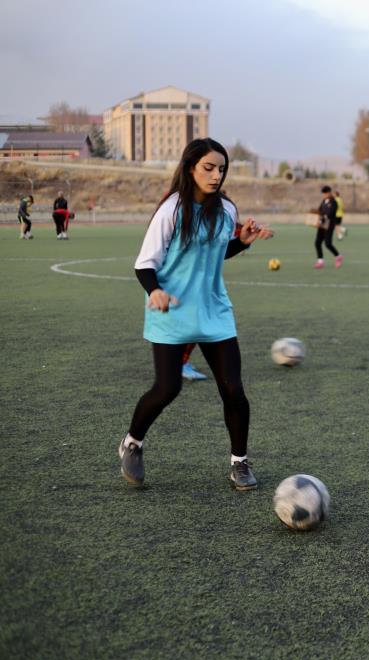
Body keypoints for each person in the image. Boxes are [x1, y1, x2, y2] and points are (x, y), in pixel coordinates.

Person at [119, 138, 273, 491]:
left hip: (214, 310)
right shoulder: (172, 209)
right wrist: (154, 290)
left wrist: (243, 241)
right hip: (171, 308)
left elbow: (220, 251)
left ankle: (240, 463)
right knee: (167, 388)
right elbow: (145, 264)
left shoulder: (228, 210)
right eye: (208, 168)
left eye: (221, 169)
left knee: (233, 389)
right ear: (190, 168)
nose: (216, 175)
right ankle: (132, 443)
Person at [314, 185, 342, 269]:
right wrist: (315, 219)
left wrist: (321, 220)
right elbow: (319, 211)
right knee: (317, 242)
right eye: (323, 194)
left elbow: (329, 214)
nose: (324, 195)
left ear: (329, 193)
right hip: (322, 225)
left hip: (329, 225)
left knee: (328, 244)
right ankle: (320, 261)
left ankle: (338, 256)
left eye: (325, 193)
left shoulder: (334, 202)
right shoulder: (323, 201)